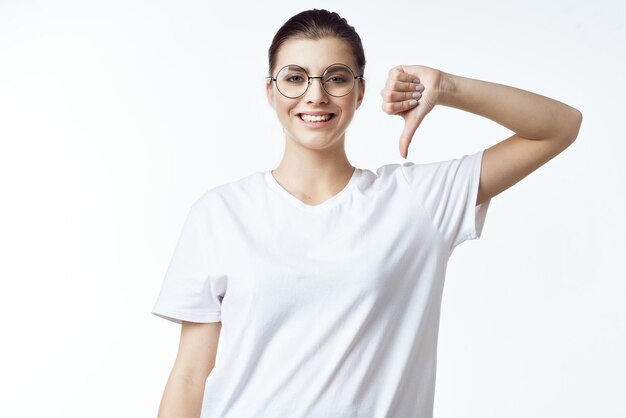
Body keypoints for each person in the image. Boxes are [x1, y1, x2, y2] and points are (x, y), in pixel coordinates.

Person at [152, 8, 582, 418]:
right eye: (295, 78)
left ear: (359, 92)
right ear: (270, 91)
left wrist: (448, 87)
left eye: (335, 78)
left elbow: (558, 127)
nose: (315, 95)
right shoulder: (221, 214)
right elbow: (190, 376)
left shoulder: (417, 201)